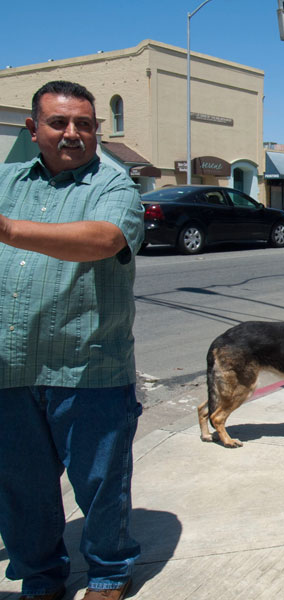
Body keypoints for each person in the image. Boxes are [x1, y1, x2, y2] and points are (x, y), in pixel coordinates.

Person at [0, 81, 144, 600]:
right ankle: (39, 577)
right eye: (59, 123)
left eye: (84, 124)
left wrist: (9, 230)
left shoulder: (114, 184)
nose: (72, 133)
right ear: (32, 128)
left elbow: (106, 239)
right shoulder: (6, 182)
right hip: (9, 368)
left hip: (89, 368)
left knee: (101, 483)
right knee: (21, 490)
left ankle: (107, 572)